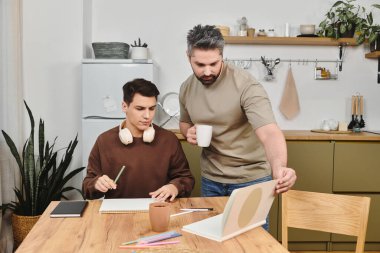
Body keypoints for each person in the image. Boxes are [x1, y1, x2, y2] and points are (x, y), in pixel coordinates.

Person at [179, 24, 296, 198]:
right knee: (210, 227)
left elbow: (269, 132)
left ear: (222, 56)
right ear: (188, 58)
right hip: (211, 179)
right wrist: (188, 132)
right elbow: (185, 122)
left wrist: (279, 167)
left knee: (253, 227)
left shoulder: (246, 85)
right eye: (200, 65)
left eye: (213, 63)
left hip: (251, 179)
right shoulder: (186, 88)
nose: (207, 71)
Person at [83, 78, 194, 202]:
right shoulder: (104, 141)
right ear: (125, 106)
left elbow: (186, 178)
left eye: (151, 109)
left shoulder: (168, 140)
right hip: (117, 213)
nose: (147, 116)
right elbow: (87, 187)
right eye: (140, 109)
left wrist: (175, 187)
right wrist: (96, 184)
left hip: (158, 209)